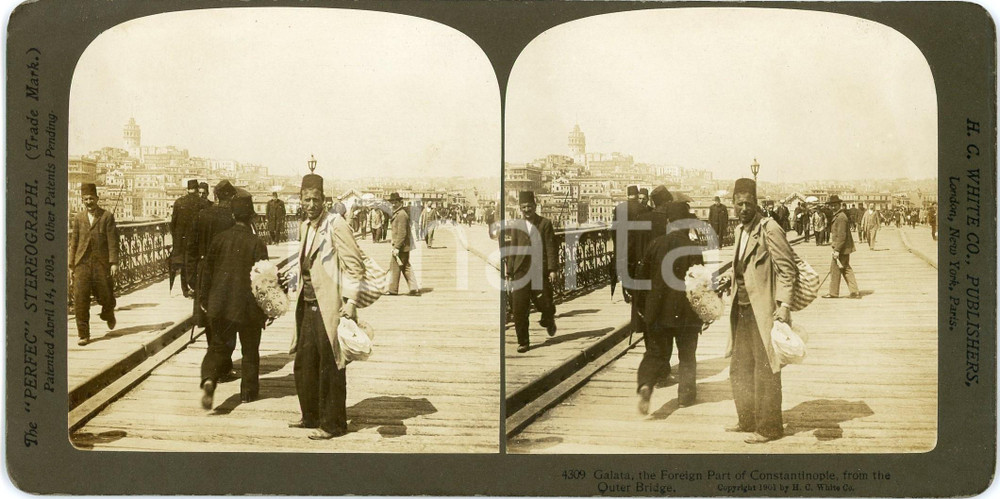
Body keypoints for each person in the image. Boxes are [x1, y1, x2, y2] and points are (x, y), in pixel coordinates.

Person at [283, 173, 366, 440]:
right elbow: (307, 263)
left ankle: (333, 424)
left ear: (324, 199)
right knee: (304, 364)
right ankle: (310, 417)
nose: (310, 205)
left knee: (330, 364)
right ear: (300, 199)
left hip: (329, 305)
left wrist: (351, 301)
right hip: (306, 305)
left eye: (315, 199)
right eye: (306, 200)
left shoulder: (336, 224)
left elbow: (355, 266)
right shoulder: (306, 225)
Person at [725, 178, 797, 444]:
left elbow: (788, 271)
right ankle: (747, 420)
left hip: (763, 310)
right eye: (739, 203)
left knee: (765, 369)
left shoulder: (770, 228)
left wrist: (785, 306)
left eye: (749, 203)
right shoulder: (739, 231)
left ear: (756, 204)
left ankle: (769, 428)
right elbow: (743, 268)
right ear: (732, 204)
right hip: (741, 309)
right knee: (740, 367)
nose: (744, 208)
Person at [198, 194, 269, 408]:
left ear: (232, 215)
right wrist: (267, 309)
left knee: (218, 347)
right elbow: (264, 280)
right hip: (248, 308)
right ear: (252, 217)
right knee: (249, 350)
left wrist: (204, 299)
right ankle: (248, 392)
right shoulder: (257, 243)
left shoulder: (218, 239)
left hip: (220, 304)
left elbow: (207, 272)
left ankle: (209, 378)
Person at [635, 200, 703, 413]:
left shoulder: (655, 245)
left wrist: (642, 307)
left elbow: (641, 279)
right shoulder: (693, 248)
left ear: (668, 222)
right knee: (687, 355)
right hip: (686, 314)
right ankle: (685, 397)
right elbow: (700, 284)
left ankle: (646, 383)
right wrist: (703, 314)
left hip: (658, 312)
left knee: (655, 353)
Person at [503, 190, 558, 353]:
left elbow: (550, 247)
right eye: (524, 207)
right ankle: (523, 342)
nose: (527, 210)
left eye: (529, 206)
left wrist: (552, 269)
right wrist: (509, 272)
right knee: (519, 308)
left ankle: (548, 318)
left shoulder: (545, 223)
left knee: (545, 303)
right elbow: (512, 249)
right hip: (520, 271)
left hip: (538, 271)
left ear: (535, 206)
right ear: (520, 208)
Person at [69, 183, 119, 346]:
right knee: (80, 299)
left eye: (91, 198)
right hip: (82, 263)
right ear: (82, 200)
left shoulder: (107, 216)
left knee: (105, 295)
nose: (89, 202)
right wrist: (71, 265)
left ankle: (108, 311)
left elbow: (113, 241)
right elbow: (74, 241)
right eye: (85, 199)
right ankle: (83, 334)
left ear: (97, 199)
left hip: (101, 263)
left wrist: (113, 263)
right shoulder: (78, 217)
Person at [170, 179, 203, 297]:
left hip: (182, 240)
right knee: (195, 263)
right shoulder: (201, 203)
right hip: (196, 239)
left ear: (187, 189)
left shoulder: (179, 202)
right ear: (197, 189)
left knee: (183, 263)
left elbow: (172, 223)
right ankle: (195, 287)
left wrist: (176, 239)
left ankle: (185, 289)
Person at [824, 195, 861, 299]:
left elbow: (842, 236)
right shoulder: (839, 216)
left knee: (837, 270)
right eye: (831, 206)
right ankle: (854, 292)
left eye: (834, 205)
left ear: (839, 205)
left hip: (842, 249)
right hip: (843, 248)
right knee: (845, 269)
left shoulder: (841, 217)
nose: (832, 207)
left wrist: (837, 250)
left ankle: (834, 293)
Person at [387, 192, 421, 296]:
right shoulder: (398, 213)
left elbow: (402, 233)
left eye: (395, 202)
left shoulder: (401, 215)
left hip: (402, 246)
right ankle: (414, 289)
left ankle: (392, 290)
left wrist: (397, 247)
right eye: (392, 202)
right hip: (403, 245)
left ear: (399, 202)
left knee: (395, 266)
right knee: (405, 266)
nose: (393, 204)